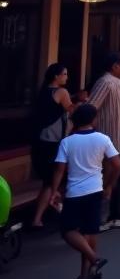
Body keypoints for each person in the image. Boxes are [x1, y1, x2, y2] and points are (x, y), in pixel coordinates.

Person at [50, 104, 120, 279]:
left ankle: (93, 259)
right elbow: (117, 165)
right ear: (93, 119)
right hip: (95, 190)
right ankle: (86, 273)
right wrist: (109, 185)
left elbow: (59, 169)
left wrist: (55, 190)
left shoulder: (67, 142)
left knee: (68, 230)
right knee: (89, 232)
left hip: (74, 192)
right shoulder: (103, 139)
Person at [89, 53, 120, 230]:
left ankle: (116, 214)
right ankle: (102, 217)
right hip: (107, 136)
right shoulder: (105, 82)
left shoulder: (117, 82)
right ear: (115, 66)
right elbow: (91, 108)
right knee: (108, 175)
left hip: (119, 134)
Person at [29, 63, 74, 229]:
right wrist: (83, 101)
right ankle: (40, 217)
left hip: (40, 140)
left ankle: (48, 209)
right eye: (64, 74)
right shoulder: (61, 92)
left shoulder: (43, 91)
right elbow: (71, 110)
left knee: (51, 180)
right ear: (56, 76)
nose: (66, 77)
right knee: (52, 180)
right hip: (53, 141)